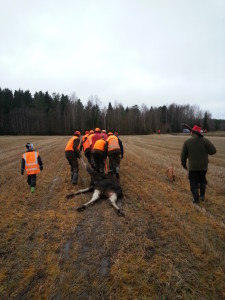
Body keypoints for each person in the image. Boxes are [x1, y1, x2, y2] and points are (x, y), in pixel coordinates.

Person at [181, 125, 216, 204]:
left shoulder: (187, 142)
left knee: (194, 183)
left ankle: (196, 200)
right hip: (204, 167)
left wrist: (184, 165)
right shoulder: (205, 140)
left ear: (192, 132)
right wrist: (209, 143)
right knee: (202, 180)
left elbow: (183, 157)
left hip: (193, 167)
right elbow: (213, 151)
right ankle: (202, 196)